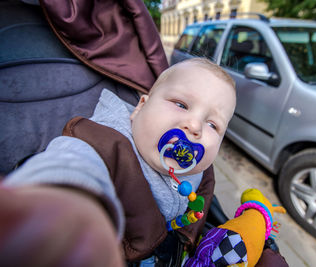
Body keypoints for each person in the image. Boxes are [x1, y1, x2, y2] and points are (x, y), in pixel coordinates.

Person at [0, 58, 236, 266]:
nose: (194, 126)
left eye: (213, 124)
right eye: (181, 104)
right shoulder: (104, 144)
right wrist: (64, 198)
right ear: (140, 107)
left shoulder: (200, 170)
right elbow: (76, 162)